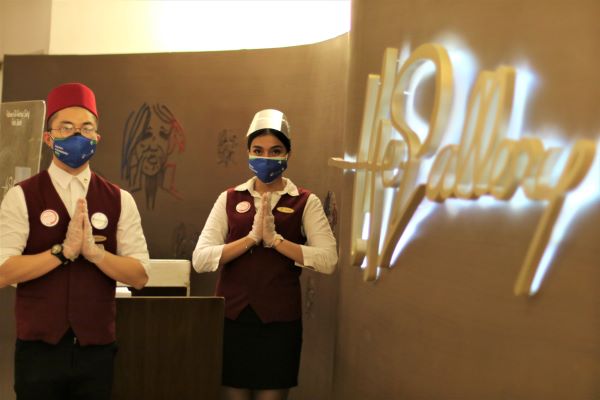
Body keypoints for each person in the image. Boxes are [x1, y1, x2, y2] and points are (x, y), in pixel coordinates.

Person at [0, 82, 150, 400]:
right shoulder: (21, 196)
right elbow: (3, 271)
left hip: (96, 350)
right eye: (66, 128)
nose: (77, 135)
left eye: (86, 128)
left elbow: (139, 275)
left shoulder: (120, 199)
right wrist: (61, 252)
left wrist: (95, 254)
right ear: (48, 138)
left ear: (97, 137)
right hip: (38, 351)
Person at [192, 109, 338, 400]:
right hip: (232, 319)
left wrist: (276, 241)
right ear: (248, 152)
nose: (266, 158)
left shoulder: (304, 202)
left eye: (275, 151)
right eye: (258, 150)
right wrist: (250, 240)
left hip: (280, 322)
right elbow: (201, 259)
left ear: (288, 154)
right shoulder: (229, 198)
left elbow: (328, 260)